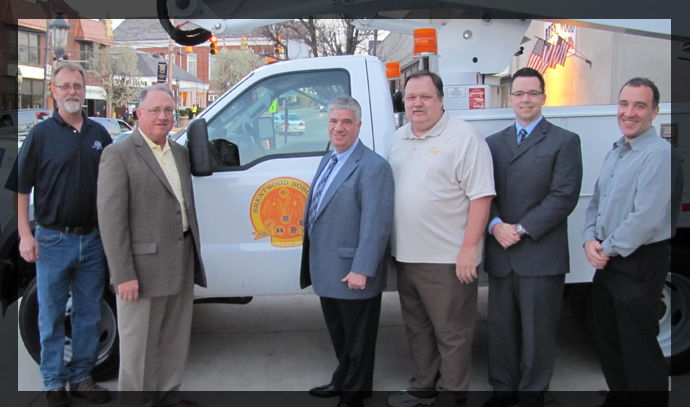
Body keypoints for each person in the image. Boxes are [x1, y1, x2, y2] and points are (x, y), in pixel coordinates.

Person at [387, 70, 495, 407]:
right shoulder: (399, 137)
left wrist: (468, 250)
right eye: (411, 97)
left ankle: (453, 394)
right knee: (418, 329)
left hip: (447, 259)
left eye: (425, 97)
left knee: (453, 334)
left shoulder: (465, 138)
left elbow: (482, 197)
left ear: (441, 99)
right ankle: (423, 386)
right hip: (406, 255)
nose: (417, 103)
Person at [97, 84, 207, 407]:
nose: (163, 117)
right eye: (156, 111)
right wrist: (122, 274)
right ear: (138, 114)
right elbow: (111, 221)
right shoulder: (118, 155)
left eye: (169, 111)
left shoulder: (179, 153)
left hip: (181, 258)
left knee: (174, 337)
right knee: (138, 347)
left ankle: (168, 394)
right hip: (141, 270)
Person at [483, 67, 583, 407]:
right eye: (519, 93)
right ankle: (503, 390)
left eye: (533, 93)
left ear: (543, 97)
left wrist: (521, 229)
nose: (526, 99)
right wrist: (495, 224)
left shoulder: (564, 141)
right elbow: (484, 193)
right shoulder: (493, 143)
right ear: (510, 99)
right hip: (501, 252)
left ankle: (531, 394)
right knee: (501, 329)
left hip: (541, 252)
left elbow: (563, 196)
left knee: (538, 332)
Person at [15, 62, 112, 407]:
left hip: (94, 240)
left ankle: (82, 378)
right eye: (65, 86)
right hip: (53, 240)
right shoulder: (41, 135)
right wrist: (26, 235)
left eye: (77, 86)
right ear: (53, 92)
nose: (72, 91)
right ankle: (55, 384)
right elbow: (21, 188)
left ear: (84, 91)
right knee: (51, 315)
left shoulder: (99, 135)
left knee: (88, 313)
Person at [583, 77, 673, 407]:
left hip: (638, 262)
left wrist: (604, 249)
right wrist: (588, 240)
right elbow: (596, 202)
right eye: (624, 104)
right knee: (610, 345)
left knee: (639, 352)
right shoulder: (618, 150)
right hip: (610, 262)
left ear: (655, 112)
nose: (629, 112)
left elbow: (645, 219)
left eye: (639, 105)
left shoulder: (658, 155)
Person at [300, 95, 394, 407]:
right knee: (340, 335)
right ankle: (343, 380)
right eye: (333, 121)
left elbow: (376, 224)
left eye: (346, 122)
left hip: (353, 269)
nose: (338, 128)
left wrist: (362, 268)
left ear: (358, 126)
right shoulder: (329, 159)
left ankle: (353, 396)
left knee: (358, 340)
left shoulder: (373, 167)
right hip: (327, 267)